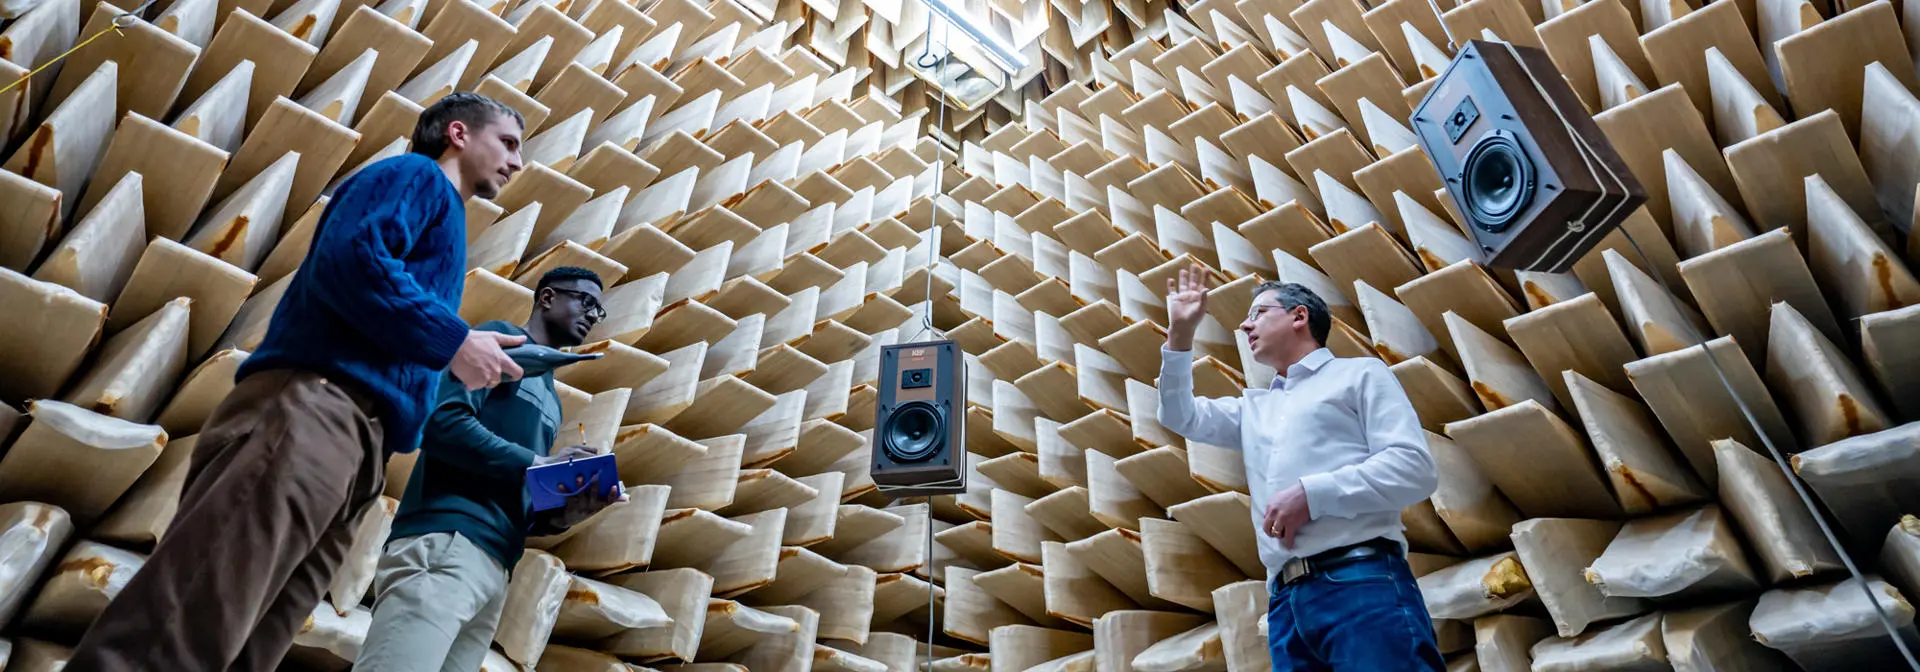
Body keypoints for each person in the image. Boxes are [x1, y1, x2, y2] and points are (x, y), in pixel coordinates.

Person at [68, 92, 531, 672]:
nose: (518, 162)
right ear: (459, 134)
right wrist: (455, 341)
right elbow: (353, 260)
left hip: (357, 446)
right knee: (187, 624)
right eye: (509, 143)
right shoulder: (415, 175)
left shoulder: (448, 217)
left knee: (250, 646)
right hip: (315, 412)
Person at [1157, 266, 1444, 672]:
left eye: (1258, 312)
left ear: (1299, 316)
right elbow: (1178, 414)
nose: (1244, 324)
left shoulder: (1359, 374)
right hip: (1285, 606)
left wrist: (1312, 494)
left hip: (1360, 580)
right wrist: (1181, 334)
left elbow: (1413, 468)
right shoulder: (1253, 408)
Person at [354, 265, 621, 672]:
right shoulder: (498, 342)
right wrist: (538, 463)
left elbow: (516, 485)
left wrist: (563, 513)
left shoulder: (551, 397)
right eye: (586, 301)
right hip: (448, 542)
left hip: (496, 567)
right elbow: (441, 423)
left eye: (598, 312)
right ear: (547, 297)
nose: (592, 316)